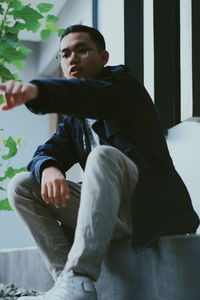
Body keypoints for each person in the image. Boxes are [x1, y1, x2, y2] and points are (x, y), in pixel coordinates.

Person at [0, 25, 199, 300]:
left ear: (104, 57)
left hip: (145, 211)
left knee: (102, 155)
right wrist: (48, 167)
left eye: (82, 50)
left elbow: (92, 96)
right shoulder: (74, 120)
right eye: (65, 54)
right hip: (106, 216)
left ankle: (80, 274)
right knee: (21, 185)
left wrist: (37, 91)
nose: (73, 59)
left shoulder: (124, 87)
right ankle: (70, 286)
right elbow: (46, 151)